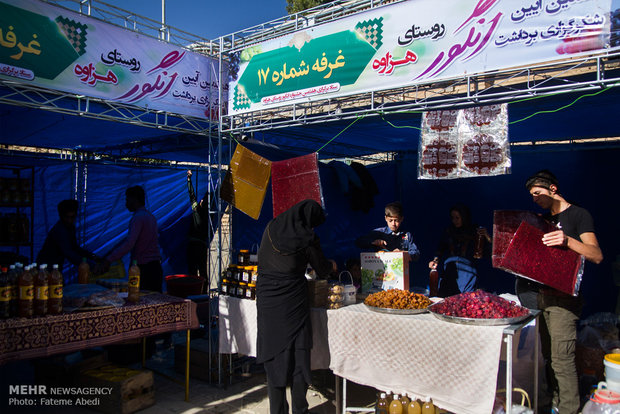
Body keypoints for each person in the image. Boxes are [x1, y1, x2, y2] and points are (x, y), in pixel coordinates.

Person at [516, 170, 603, 414]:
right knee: (548, 358)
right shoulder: (542, 220)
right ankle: (554, 402)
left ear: (553, 189)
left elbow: (596, 254)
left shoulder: (578, 214)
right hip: (541, 297)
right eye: (531, 196)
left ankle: (569, 409)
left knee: (563, 359)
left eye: (538, 194)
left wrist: (567, 240)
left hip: (565, 301)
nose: (535, 199)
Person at [257, 199, 335, 414]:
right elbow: (322, 269)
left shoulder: (272, 226)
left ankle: (277, 410)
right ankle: (300, 409)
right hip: (293, 301)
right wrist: (332, 266)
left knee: (275, 354)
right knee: (299, 357)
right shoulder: (307, 238)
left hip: (267, 300)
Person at [104, 186, 163, 292]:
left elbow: (129, 243)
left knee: (139, 299)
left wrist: (109, 259)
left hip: (143, 269)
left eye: (127, 200)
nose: (126, 203)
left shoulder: (138, 218)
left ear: (134, 199)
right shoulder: (150, 217)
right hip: (154, 267)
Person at [427, 204, 491, 297]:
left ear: (464, 217)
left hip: (466, 273)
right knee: (445, 300)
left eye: (457, 218)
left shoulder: (475, 232)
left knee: (464, 300)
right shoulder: (449, 231)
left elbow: (488, 251)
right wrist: (435, 260)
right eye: (453, 218)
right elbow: (440, 248)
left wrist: (487, 236)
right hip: (450, 271)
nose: (454, 221)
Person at [37, 199, 99, 273]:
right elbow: (69, 253)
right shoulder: (60, 230)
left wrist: (94, 257)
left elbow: (75, 248)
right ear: (61, 216)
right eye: (67, 217)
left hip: (55, 268)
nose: (69, 220)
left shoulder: (70, 228)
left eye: (72, 217)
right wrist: (91, 265)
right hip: (46, 269)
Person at [355, 201, 420, 261]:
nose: (393, 224)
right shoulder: (379, 232)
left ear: (401, 219)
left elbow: (416, 253)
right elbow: (359, 242)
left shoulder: (406, 235)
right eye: (390, 220)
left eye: (396, 220)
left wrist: (403, 253)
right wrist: (373, 242)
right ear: (386, 218)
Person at [186, 170, 210, 278]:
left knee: (193, 271)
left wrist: (189, 180)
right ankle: (204, 292)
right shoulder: (210, 215)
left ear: (201, 203)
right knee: (203, 271)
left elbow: (191, 195)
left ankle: (194, 291)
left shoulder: (196, 210)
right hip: (202, 245)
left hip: (194, 245)